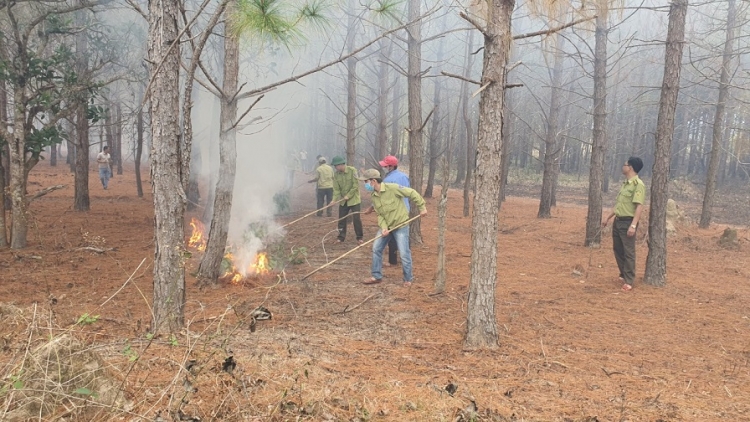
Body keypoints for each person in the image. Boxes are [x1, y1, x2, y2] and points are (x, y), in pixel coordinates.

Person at [359, 168, 427, 287]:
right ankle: (376, 276)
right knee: (376, 248)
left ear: (373, 181)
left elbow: (412, 193)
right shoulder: (374, 196)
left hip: (400, 225)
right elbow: (380, 214)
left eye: (366, 182)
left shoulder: (393, 188)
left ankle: (408, 279)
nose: (365, 184)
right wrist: (384, 228)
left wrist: (422, 207)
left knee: (404, 253)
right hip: (387, 227)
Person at [602, 156, 646, 292]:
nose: (623, 166)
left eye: (625, 164)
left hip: (628, 221)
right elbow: (619, 205)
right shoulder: (625, 184)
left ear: (630, 167)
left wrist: (633, 225)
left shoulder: (638, 185)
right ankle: (623, 273)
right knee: (618, 249)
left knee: (628, 252)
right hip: (618, 221)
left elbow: (639, 206)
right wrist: (608, 218)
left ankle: (629, 280)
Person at [376, 155, 410, 267]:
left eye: (386, 166)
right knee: (402, 234)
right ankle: (400, 258)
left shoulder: (387, 180)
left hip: (393, 211)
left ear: (391, 166)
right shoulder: (404, 177)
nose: (385, 167)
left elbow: (384, 197)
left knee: (391, 235)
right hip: (405, 210)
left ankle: (392, 260)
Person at [331, 156, 363, 243]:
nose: (335, 168)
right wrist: (334, 199)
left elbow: (355, 185)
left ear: (341, 165)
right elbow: (336, 189)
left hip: (354, 200)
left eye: (336, 166)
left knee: (356, 218)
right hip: (343, 201)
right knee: (341, 219)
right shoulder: (336, 175)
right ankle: (341, 237)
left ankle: (359, 237)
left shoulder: (352, 170)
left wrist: (348, 195)